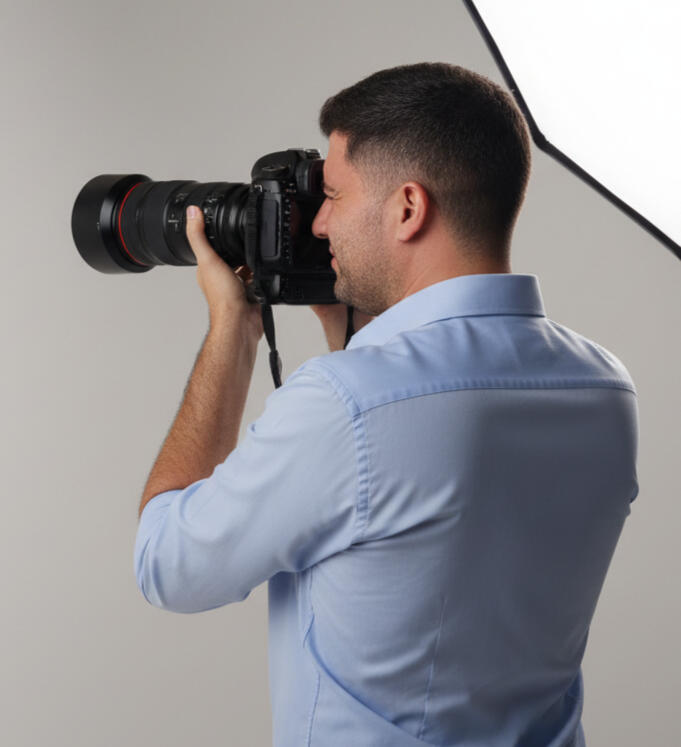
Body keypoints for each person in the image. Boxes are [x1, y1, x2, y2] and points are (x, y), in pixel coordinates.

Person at [134, 63, 639, 746]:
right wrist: (348, 335)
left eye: (332, 195)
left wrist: (232, 330)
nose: (318, 223)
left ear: (407, 208)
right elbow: (429, 529)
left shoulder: (345, 403)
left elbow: (168, 565)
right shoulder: (604, 386)